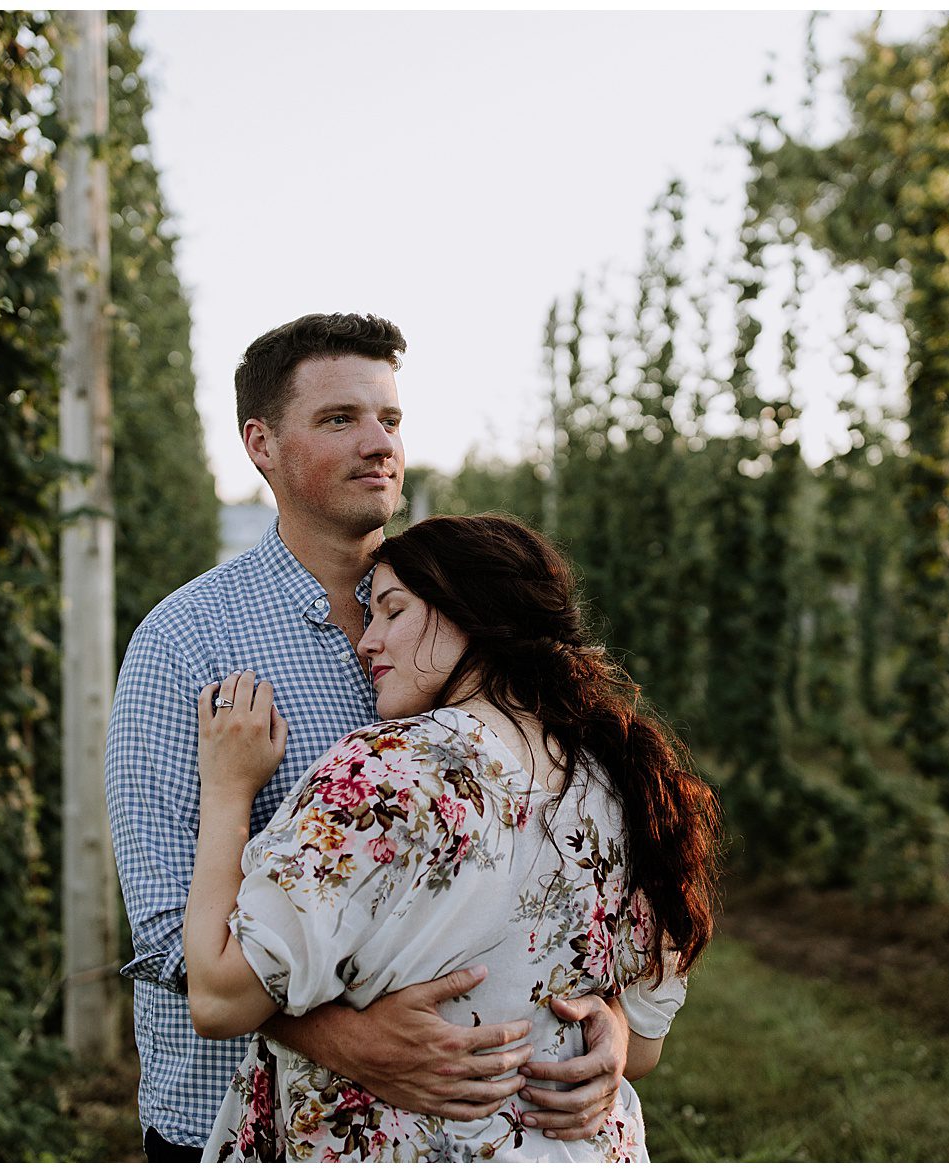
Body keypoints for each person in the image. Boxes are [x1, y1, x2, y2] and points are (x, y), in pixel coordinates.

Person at [106, 314, 630, 1161]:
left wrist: (592, 1016)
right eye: (340, 419)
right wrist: (349, 1040)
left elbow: (547, 862)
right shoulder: (187, 643)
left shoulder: (462, 611)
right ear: (260, 443)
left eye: (390, 419)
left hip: (475, 1129)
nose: (379, 443)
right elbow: (169, 931)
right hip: (244, 1119)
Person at [186, 513, 724, 1161]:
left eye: (391, 610)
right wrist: (601, 1021)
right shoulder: (630, 781)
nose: (367, 641)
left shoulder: (384, 771)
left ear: (467, 612)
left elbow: (217, 997)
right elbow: (641, 1047)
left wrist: (225, 790)